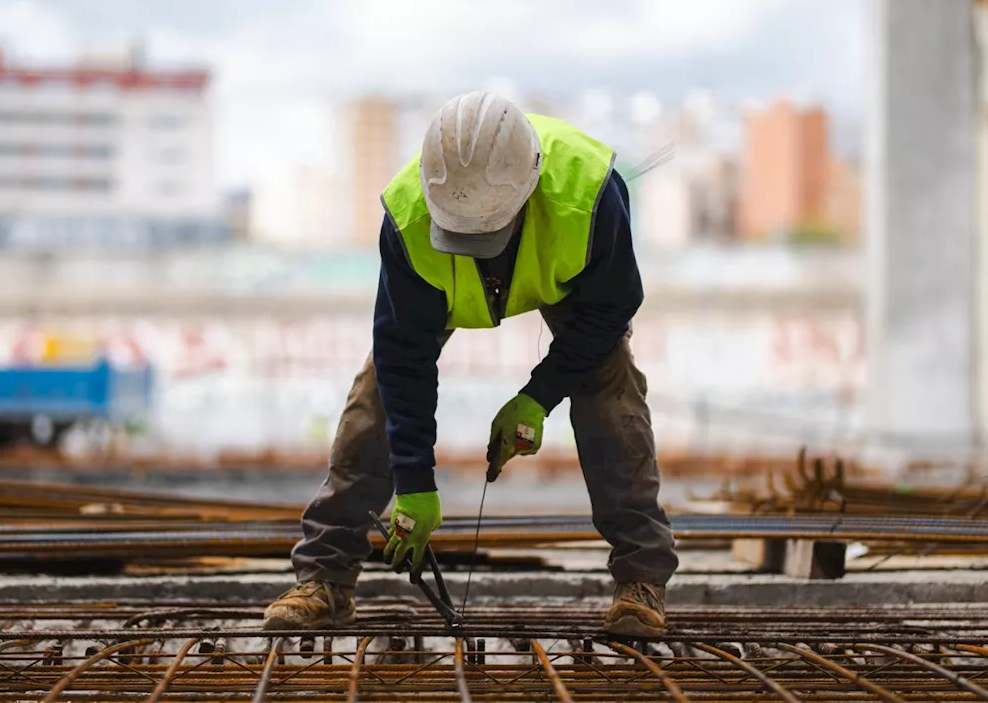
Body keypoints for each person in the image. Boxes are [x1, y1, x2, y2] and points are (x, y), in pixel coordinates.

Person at [262, 91, 679, 637]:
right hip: (449, 293)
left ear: (527, 193)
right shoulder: (410, 215)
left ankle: (641, 580)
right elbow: (402, 357)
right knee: (375, 398)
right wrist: (414, 483)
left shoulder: (591, 193)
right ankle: (325, 579)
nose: (469, 244)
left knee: (611, 388)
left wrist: (539, 394)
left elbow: (612, 308)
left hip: (567, 280)